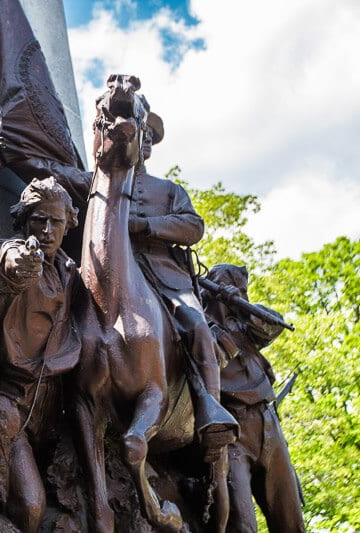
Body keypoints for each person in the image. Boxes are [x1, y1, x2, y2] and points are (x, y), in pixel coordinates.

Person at [128, 109, 235, 446]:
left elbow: (193, 226)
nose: (141, 143)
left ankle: (211, 415)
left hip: (165, 276)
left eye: (146, 138)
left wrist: (146, 226)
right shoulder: (97, 183)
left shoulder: (169, 190)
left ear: (148, 148)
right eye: (137, 135)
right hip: (116, 274)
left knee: (198, 327)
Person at [0, 177, 83, 532]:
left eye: (56, 221)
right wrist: (18, 263)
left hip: (56, 408)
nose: (47, 229)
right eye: (38, 219)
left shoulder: (70, 272)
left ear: (68, 224)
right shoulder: (12, 251)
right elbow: (6, 267)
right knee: (30, 506)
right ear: (24, 222)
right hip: (12, 400)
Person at [202, 264, 305, 533]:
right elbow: (211, 357)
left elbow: (274, 323)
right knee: (242, 524)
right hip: (234, 434)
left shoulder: (247, 325)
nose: (240, 294)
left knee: (291, 521)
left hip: (268, 425)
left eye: (242, 290)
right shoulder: (200, 328)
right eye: (234, 287)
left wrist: (239, 304)